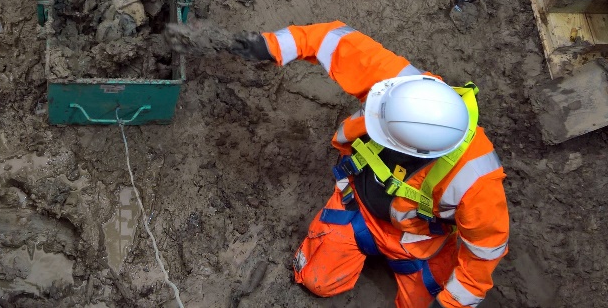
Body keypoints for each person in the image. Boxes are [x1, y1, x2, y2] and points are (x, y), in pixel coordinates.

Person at [212, 22, 507, 306]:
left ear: (417, 150)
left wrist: (449, 305)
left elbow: (483, 253)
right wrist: (269, 45)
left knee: (429, 299)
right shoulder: (401, 88)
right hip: (357, 203)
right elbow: (333, 40)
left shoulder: (476, 181)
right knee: (315, 278)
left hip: (417, 240)